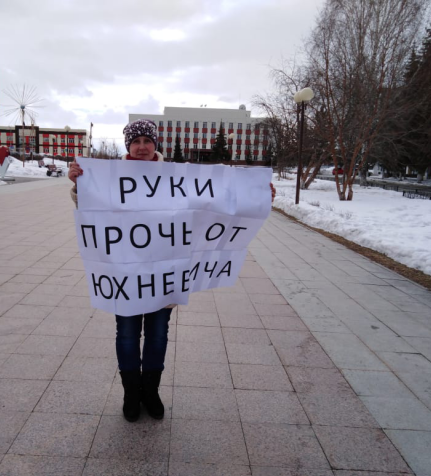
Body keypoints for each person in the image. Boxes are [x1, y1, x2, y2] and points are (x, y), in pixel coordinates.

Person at [68, 119, 276, 423]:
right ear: (128, 146)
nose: (141, 147)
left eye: (146, 141)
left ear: (155, 144)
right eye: (135, 141)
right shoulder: (108, 176)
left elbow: (211, 206)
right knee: (126, 334)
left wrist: (256, 196)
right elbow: (90, 210)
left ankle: (150, 392)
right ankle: (130, 394)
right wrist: (80, 185)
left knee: (157, 334)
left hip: (163, 275)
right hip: (126, 275)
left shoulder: (175, 176)